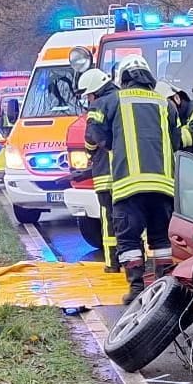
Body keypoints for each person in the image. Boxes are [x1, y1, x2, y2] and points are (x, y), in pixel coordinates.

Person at [88, 55, 178, 302]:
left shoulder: (111, 101)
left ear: (123, 78)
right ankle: (164, 286)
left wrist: (111, 145)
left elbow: (94, 131)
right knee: (160, 239)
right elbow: (177, 141)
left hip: (128, 185)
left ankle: (137, 287)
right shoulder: (165, 104)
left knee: (128, 238)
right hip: (163, 186)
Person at [76, 67, 119, 271]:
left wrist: (91, 153)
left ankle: (112, 264)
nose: (89, 100)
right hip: (130, 173)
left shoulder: (99, 106)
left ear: (94, 92)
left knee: (108, 218)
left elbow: (91, 137)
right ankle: (143, 264)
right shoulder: (125, 100)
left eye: (88, 96)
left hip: (105, 173)